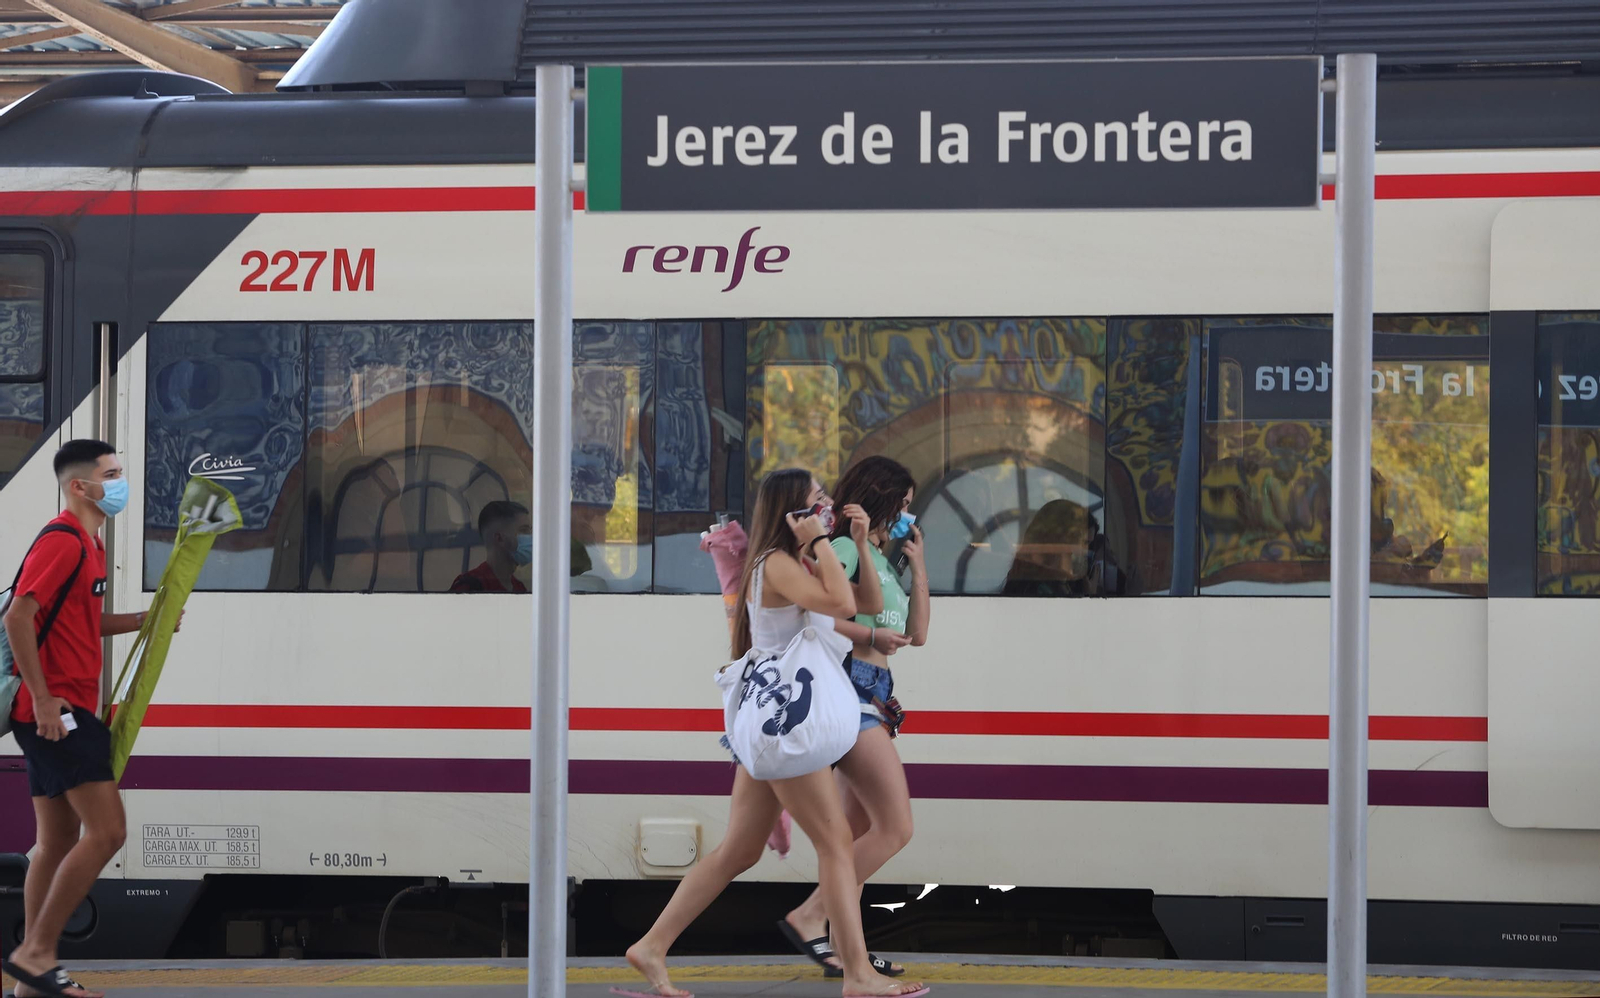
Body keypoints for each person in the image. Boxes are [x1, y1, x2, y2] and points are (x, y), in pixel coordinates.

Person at [620, 468, 926, 998]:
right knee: (834, 844)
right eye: (818, 500)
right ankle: (856, 975)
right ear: (793, 512)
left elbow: (870, 603)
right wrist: (826, 544)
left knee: (739, 851)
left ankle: (651, 946)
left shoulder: (796, 561)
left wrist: (849, 541)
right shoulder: (778, 564)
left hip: (778, 723)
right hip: (792, 722)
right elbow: (844, 606)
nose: (829, 503)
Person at [2, 440, 177, 998]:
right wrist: (46, 697)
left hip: (55, 711)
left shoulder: (89, 545)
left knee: (55, 842)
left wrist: (144, 621)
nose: (120, 483)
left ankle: (31, 982)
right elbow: (18, 618)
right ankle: (35, 955)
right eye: (112, 474)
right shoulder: (64, 542)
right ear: (80, 486)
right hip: (59, 714)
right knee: (108, 832)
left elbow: (75, 620)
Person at [781, 456, 930, 980]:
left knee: (855, 833)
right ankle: (810, 915)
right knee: (895, 826)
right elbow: (817, 615)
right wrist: (867, 636)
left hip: (877, 695)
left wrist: (917, 563)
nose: (909, 517)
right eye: (905, 506)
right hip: (854, 694)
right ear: (882, 498)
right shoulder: (844, 548)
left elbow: (919, 634)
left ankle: (851, 955)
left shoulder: (880, 562)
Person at [450, 501, 532, 593]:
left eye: (530, 531)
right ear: (499, 538)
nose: (531, 537)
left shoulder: (519, 588)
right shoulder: (470, 587)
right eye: (524, 530)